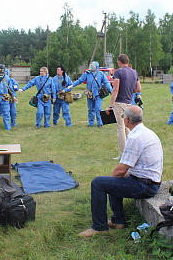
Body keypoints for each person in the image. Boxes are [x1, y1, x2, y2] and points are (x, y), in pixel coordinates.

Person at [78, 105, 163, 237]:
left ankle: (99, 227)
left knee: (98, 183)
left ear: (127, 120)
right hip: (151, 182)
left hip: (145, 186)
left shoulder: (135, 137)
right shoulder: (147, 132)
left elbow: (121, 170)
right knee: (115, 180)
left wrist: (111, 181)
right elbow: (128, 168)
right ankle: (118, 221)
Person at [105, 54, 141, 159]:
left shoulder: (118, 72)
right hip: (129, 103)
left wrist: (110, 106)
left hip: (119, 103)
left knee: (120, 129)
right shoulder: (134, 72)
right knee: (127, 128)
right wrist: (129, 90)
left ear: (119, 62)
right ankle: (130, 152)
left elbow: (115, 89)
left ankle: (123, 155)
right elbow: (138, 88)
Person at [70, 61, 113, 128]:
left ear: (96, 66)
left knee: (98, 109)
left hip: (98, 95)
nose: (91, 66)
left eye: (93, 65)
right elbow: (80, 80)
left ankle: (100, 123)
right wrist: (72, 85)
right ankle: (91, 123)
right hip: (89, 94)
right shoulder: (87, 73)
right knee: (90, 109)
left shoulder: (100, 74)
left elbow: (106, 82)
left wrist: (111, 90)